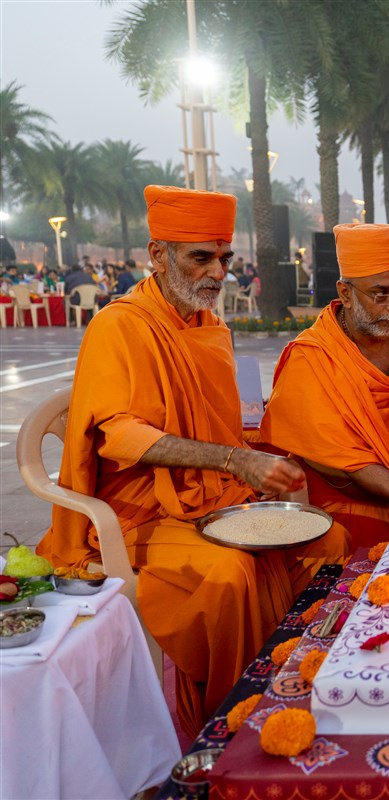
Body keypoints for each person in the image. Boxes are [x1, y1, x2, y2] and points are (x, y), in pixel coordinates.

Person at [36, 185, 350, 739]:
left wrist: (260, 460)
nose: (217, 272)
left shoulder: (211, 328)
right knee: (231, 574)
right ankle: (232, 726)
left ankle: (307, 687)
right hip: (144, 516)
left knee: (330, 544)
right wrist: (234, 460)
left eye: (224, 258)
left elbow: (223, 425)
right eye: (200, 257)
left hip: (215, 500)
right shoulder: (121, 325)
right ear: (158, 256)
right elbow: (120, 436)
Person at [261, 223, 389, 548]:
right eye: (381, 294)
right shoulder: (312, 357)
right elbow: (355, 466)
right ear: (345, 293)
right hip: (343, 503)